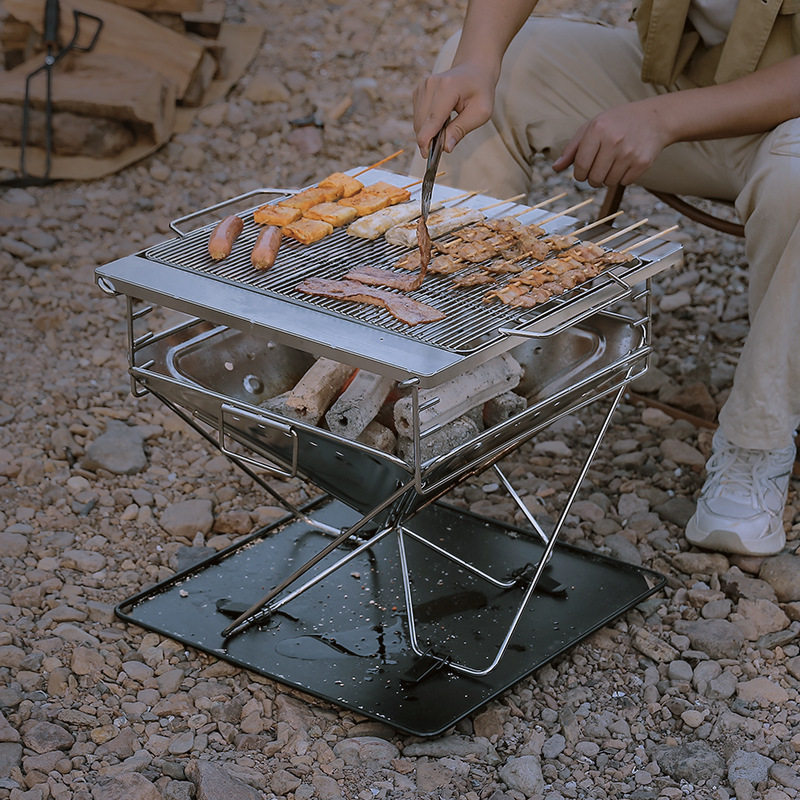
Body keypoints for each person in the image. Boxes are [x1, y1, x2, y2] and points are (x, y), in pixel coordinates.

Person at [411, 0, 800, 557]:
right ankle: (443, 370)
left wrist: (663, 119)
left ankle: (755, 447)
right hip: (680, 80)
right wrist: (477, 62)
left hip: (785, 131)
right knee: (485, 58)